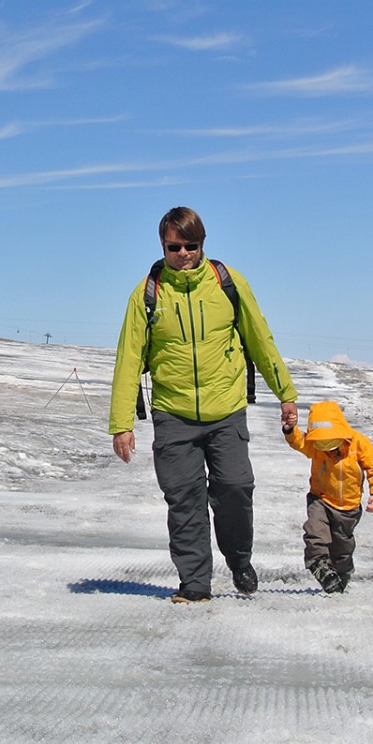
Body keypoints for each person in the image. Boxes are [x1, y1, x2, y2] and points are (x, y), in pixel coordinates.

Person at [109, 206, 299, 603]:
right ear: (162, 246)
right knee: (185, 502)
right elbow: (129, 358)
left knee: (235, 488)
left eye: (189, 246)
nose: (182, 254)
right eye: (173, 246)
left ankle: (239, 559)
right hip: (173, 414)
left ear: (202, 244)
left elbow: (260, 340)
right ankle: (194, 585)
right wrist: (121, 422)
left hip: (226, 409)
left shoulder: (227, 283)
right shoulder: (147, 292)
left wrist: (286, 395)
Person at [281, 400, 373, 594]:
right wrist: (289, 430)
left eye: (330, 443)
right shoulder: (315, 445)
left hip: (348, 508)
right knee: (315, 531)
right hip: (320, 499)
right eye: (322, 444)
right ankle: (318, 563)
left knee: (342, 548)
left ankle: (341, 577)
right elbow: (300, 442)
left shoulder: (359, 442)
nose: (326, 449)